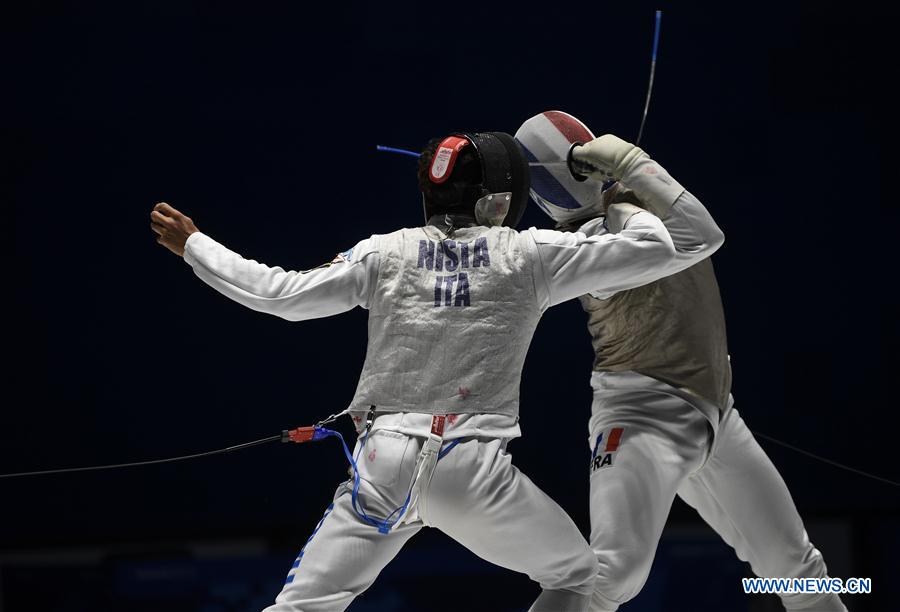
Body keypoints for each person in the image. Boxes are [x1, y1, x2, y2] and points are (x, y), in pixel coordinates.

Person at [150, 130, 713, 612]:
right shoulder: (531, 254)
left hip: (381, 468)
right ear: (499, 201)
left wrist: (196, 246)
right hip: (469, 473)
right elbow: (663, 243)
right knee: (581, 579)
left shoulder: (383, 252)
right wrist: (620, 195)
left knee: (299, 608)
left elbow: (282, 295)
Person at [516, 110, 847, 612]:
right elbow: (703, 235)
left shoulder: (637, 200)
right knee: (610, 575)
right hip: (640, 421)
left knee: (799, 570)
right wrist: (631, 162)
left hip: (718, 418)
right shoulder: (590, 248)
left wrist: (631, 174)